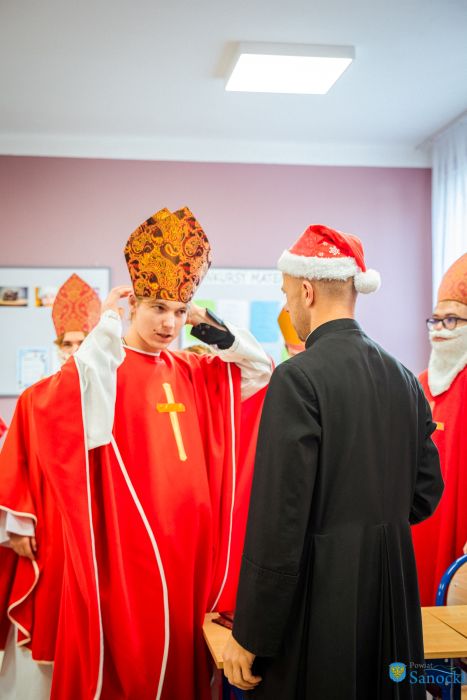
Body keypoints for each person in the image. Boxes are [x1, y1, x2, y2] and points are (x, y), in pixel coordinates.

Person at [0, 206, 271, 699]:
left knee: (185, 666)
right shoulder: (107, 370)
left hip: (190, 551)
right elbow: (67, 399)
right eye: (158, 308)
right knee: (133, 666)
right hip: (127, 552)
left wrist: (220, 333)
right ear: (133, 305)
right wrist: (106, 327)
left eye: (179, 311)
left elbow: (258, 373)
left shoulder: (192, 370)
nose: (169, 323)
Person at [222, 224, 443, 699]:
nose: (287, 307)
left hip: (322, 603)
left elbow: (280, 520)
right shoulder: (405, 378)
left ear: (307, 291)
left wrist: (251, 632)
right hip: (392, 599)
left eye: (287, 295)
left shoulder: (296, 379)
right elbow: (426, 494)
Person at [0, 274, 101, 699]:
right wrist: (19, 525)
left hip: (98, 530)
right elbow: (15, 465)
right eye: (67, 344)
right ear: (57, 346)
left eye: (83, 343)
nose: (74, 352)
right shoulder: (33, 399)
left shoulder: (112, 400)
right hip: (50, 531)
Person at [412, 252, 467, 605]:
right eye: (436, 320)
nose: (440, 330)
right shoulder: (418, 383)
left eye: (452, 320)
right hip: (419, 525)